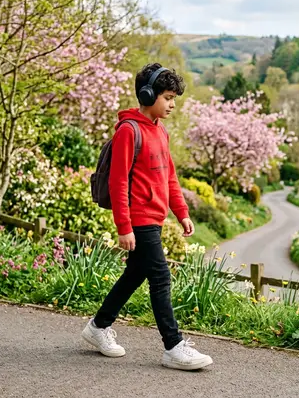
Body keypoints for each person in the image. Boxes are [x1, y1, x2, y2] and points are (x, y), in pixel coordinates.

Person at [82, 63, 213, 371]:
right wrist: (123, 227)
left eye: (174, 99)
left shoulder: (161, 131)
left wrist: (181, 212)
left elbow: (170, 177)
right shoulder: (130, 130)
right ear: (148, 94)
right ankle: (173, 346)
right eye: (167, 97)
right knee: (160, 277)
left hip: (154, 217)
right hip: (138, 218)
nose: (171, 104)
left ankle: (98, 327)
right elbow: (118, 182)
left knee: (134, 275)